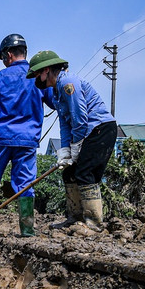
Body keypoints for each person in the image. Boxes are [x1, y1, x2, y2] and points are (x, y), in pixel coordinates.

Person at [0, 33, 54, 237]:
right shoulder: (37, 76)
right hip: (28, 139)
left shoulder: (0, 77)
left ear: (8, 54)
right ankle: (27, 230)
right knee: (26, 183)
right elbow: (53, 100)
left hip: (2, 137)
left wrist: (0, 120)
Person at [27, 50, 117, 231]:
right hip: (86, 132)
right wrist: (66, 150)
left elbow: (79, 117)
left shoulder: (68, 83)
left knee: (85, 173)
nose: (37, 78)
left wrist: (76, 145)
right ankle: (74, 218)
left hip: (100, 129)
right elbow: (64, 122)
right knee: (69, 173)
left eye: (37, 74)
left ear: (46, 70)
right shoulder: (56, 92)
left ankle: (94, 223)